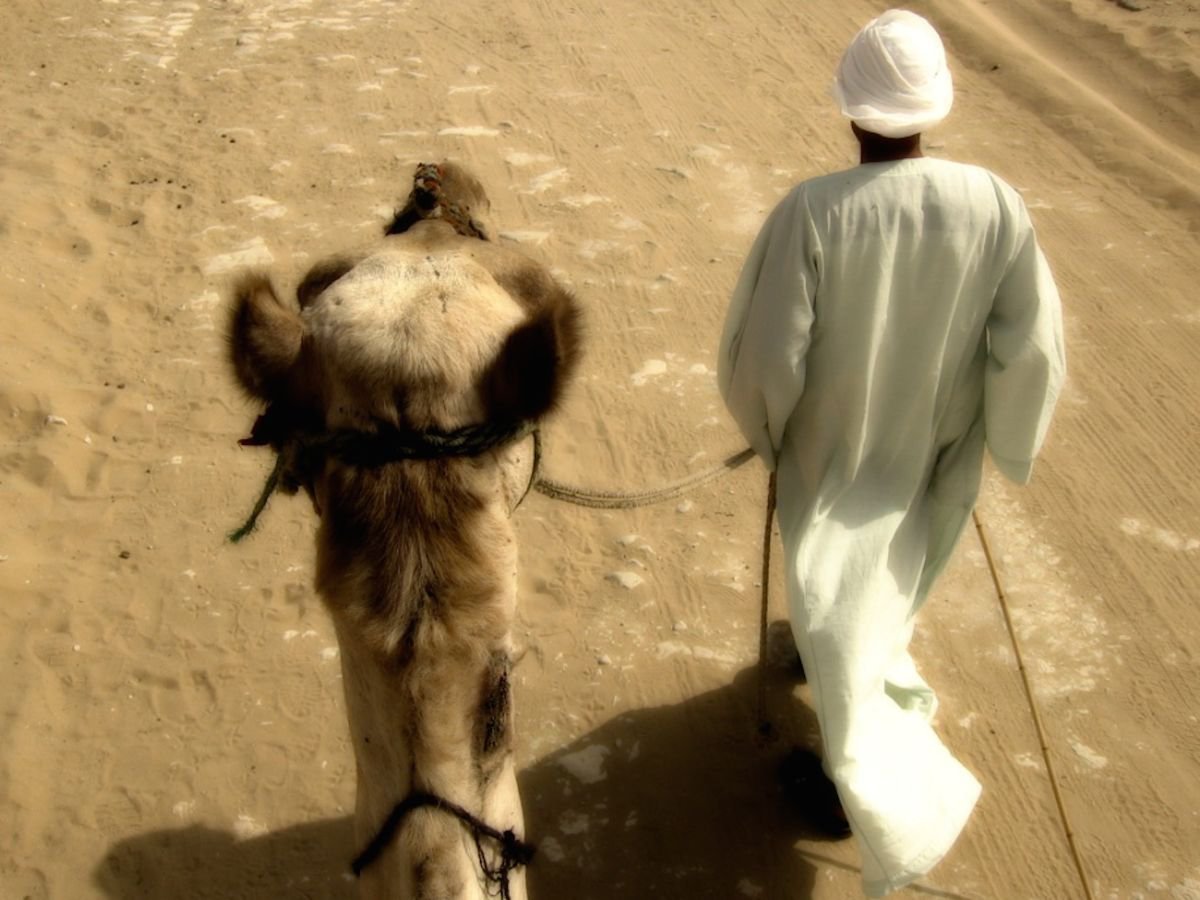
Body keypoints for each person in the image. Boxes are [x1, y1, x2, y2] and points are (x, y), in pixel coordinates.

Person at [717, 9, 1066, 896]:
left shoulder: (813, 212)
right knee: (889, 579)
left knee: (837, 588)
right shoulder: (994, 202)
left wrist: (764, 428)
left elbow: (768, 357)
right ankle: (844, 700)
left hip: (832, 455)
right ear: (932, 111)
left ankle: (867, 788)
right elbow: (1032, 345)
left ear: (851, 112)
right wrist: (1006, 433)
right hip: (932, 448)